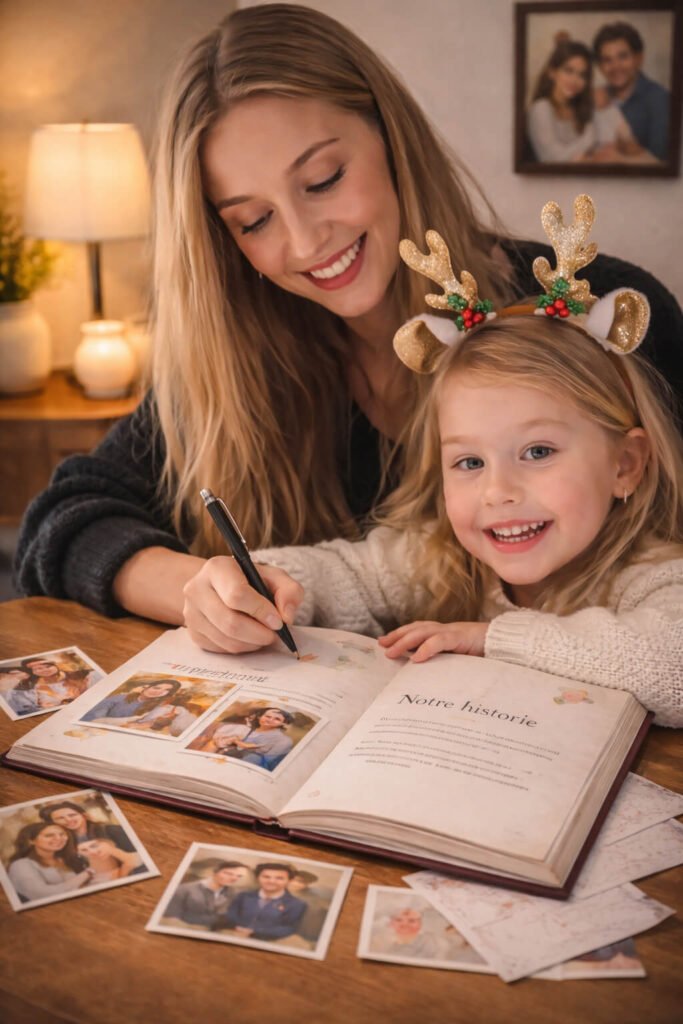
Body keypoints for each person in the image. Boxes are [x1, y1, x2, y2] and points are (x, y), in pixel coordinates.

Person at [14, 4, 683, 647]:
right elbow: (62, 522)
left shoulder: (598, 314)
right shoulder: (246, 358)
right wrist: (192, 586)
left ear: (391, 139)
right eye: (253, 221)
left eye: (323, 179)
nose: (305, 243)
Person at [207, 206, 683, 728]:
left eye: (538, 452)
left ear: (626, 465)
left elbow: (672, 667)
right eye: (470, 461)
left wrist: (490, 640)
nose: (498, 491)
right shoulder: (439, 557)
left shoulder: (653, 578)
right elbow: (344, 573)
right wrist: (266, 582)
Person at [527, 37, 640, 165]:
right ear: (552, 72)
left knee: (606, 109)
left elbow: (596, 148)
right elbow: (552, 158)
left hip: (585, 178)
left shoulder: (579, 107)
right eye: (568, 71)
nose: (574, 81)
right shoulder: (541, 108)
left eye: (582, 75)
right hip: (554, 183)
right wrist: (590, 138)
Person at [593, 21, 670, 161]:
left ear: (638, 58)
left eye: (623, 56)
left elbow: (662, 164)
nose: (615, 66)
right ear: (599, 66)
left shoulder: (660, 99)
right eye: (607, 60)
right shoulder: (597, 97)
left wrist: (619, 159)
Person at [7, 822, 93, 903]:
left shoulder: (66, 859)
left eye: (62, 834)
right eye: (49, 835)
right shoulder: (21, 865)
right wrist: (87, 873)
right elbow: (41, 895)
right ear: (31, 841)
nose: (59, 838)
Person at [221, 862, 306, 941]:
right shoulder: (244, 896)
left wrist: (254, 932)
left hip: (271, 940)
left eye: (279, 878)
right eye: (266, 877)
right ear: (258, 878)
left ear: (289, 881)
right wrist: (238, 928)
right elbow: (231, 914)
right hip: (236, 933)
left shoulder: (296, 904)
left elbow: (289, 928)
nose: (271, 881)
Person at [164, 861, 249, 928]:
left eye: (239, 876)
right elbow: (170, 917)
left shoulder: (234, 893)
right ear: (214, 872)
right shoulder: (184, 889)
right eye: (228, 873)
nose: (234, 878)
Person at [39, 799, 136, 853]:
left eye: (72, 815)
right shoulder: (59, 844)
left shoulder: (113, 830)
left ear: (84, 816)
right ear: (53, 824)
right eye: (60, 818)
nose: (68, 820)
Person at [218, 707, 294, 770]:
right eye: (267, 716)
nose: (270, 720)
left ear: (284, 723)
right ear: (259, 717)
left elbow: (268, 761)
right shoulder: (247, 729)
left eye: (277, 719)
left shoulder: (283, 740)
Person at [81, 678, 182, 722]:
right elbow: (91, 716)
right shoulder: (120, 698)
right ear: (147, 686)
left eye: (166, 691)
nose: (158, 692)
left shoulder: (159, 708)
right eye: (156, 688)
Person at [75, 837, 144, 882]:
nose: (92, 851)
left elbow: (137, 858)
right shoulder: (88, 876)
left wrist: (113, 851)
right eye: (84, 850)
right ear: (79, 855)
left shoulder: (130, 861)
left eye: (94, 846)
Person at [287, 870, 328, 943]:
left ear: (307, 885)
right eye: (294, 880)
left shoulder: (312, 898)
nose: (296, 884)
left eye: (302, 882)